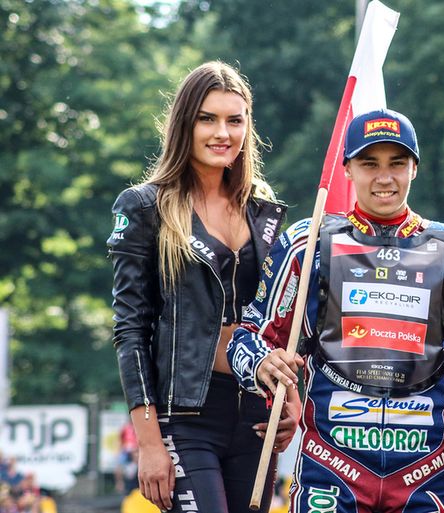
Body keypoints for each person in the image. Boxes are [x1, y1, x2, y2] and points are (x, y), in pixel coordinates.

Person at [227, 108, 444, 513]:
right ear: (348, 169)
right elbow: (249, 338)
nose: (384, 177)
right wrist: (264, 364)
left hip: (424, 475)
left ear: (414, 168)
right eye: (370, 164)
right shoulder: (308, 244)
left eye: (396, 163)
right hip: (331, 471)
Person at [107, 61, 300, 513]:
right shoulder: (144, 207)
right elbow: (130, 331)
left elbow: (280, 320)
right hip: (184, 418)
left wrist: (290, 396)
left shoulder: (263, 211)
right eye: (207, 119)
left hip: (256, 416)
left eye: (235, 120)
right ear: (184, 124)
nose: (222, 133)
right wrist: (149, 442)